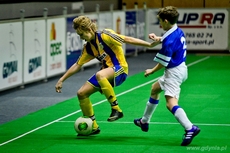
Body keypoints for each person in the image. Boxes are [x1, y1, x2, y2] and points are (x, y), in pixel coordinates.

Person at [55, 15, 157, 136]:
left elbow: (126, 39)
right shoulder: (88, 48)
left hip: (120, 70)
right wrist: (62, 79)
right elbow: (78, 65)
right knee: (81, 93)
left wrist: (149, 45)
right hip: (105, 74)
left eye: (81, 35)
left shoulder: (105, 35)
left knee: (100, 75)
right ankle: (93, 126)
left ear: (89, 30)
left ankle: (116, 109)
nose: (81, 38)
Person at [133, 6, 200, 146]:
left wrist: (151, 70)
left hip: (173, 72)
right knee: (154, 89)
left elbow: (163, 62)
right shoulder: (176, 30)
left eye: (160, 22)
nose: (159, 24)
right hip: (181, 68)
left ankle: (190, 128)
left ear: (165, 20)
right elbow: (169, 39)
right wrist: (158, 38)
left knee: (171, 104)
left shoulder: (168, 42)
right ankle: (144, 121)